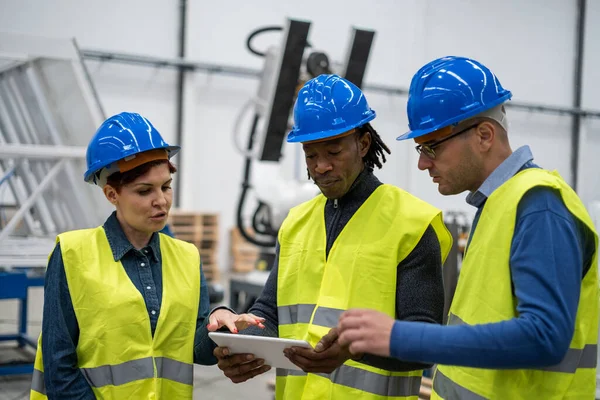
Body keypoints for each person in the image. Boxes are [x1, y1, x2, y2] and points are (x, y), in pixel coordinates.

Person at [337, 56, 599, 399]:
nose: (422, 162)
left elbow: (544, 337)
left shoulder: (540, 205)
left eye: (432, 147)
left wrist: (398, 336)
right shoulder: (499, 204)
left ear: (485, 136)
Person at [213, 74, 453, 399]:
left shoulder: (411, 223)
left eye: (334, 151)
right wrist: (246, 341)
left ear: (363, 144)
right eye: (311, 155)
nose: (321, 166)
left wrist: (355, 349)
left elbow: (425, 343)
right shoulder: (296, 223)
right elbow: (269, 311)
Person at [30, 112, 264, 400]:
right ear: (111, 194)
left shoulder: (186, 257)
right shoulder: (72, 254)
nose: (161, 201)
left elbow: (195, 348)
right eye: (144, 191)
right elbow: (59, 369)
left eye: (166, 187)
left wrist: (221, 323)